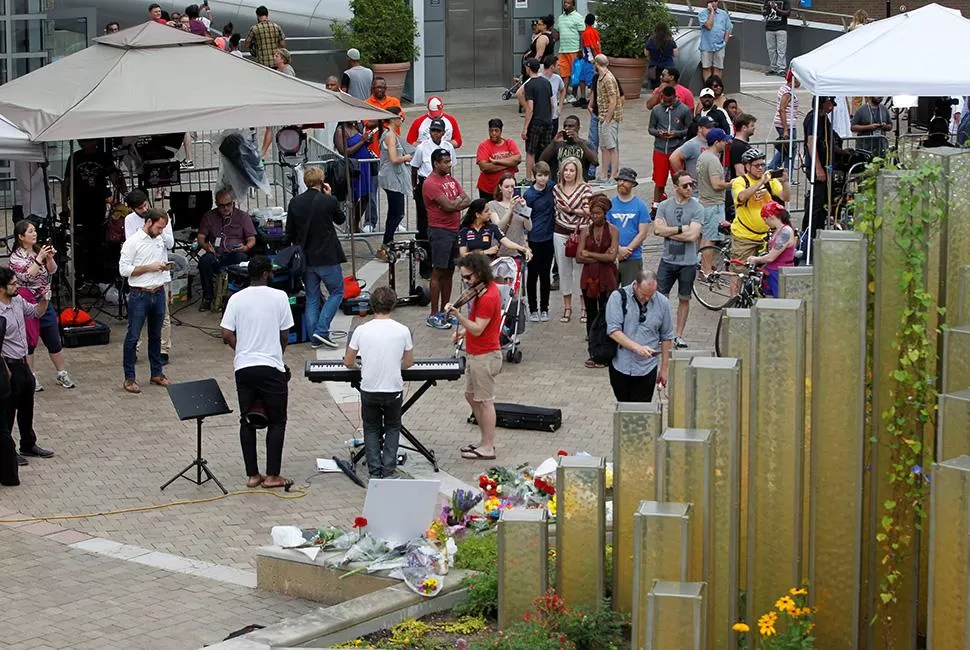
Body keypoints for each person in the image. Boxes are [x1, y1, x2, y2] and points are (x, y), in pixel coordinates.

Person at [220, 255, 293, 489]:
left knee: (247, 419)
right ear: (265, 274)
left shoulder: (236, 299)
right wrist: (278, 356)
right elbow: (285, 334)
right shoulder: (279, 297)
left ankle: (252, 474)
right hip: (271, 366)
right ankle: (272, 475)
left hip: (244, 367)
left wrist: (241, 349)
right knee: (277, 420)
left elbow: (226, 333)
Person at [343, 286, 414, 478]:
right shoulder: (403, 330)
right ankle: (388, 470)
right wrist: (394, 366)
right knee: (393, 427)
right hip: (393, 389)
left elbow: (348, 361)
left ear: (372, 305)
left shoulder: (361, 330)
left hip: (369, 388)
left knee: (371, 427)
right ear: (393, 305)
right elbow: (409, 362)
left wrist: (360, 368)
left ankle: (374, 471)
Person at [446, 253, 503, 461]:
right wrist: (462, 332)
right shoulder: (480, 292)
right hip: (476, 353)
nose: (466, 282)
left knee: (485, 401)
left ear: (479, 274)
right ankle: (484, 440)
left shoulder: (488, 296)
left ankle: (488, 446)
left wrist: (458, 317)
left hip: (485, 355)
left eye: (468, 277)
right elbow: (482, 326)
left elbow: (479, 328)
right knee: (471, 396)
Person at [285, 166, 346, 349]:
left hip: (307, 257)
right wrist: (330, 197)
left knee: (312, 297)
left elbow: (289, 233)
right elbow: (341, 219)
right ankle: (321, 330)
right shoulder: (328, 201)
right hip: (327, 256)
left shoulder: (295, 203)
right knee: (336, 292)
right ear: (322, 181)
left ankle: (314, 337)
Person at [9, 221, 75, 390]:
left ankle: (62, 373)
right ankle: (31, 376)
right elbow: (25, 277)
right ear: (21, 237)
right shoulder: (16, 257)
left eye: (34, 231)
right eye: (30, 232)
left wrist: (50, 258)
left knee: (53, 336)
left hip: (44, 298)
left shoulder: (39, 250)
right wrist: (39, 260)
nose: (34, 234)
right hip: (26, 301)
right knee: (30, 341)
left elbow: (52, 270)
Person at [0, 267, 54, 467]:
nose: (17, 287)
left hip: (23, 362)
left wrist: (45, 298)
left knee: (26, 406)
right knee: (8, 411)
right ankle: (8, 451)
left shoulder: (17, 301)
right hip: (8, 365)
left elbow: (36, 312)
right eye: (13, 284)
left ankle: (28, 443)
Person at [119, 208, 172, 394]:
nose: (160, 232)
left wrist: (163, 269)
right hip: (139, 294)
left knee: (156, 335)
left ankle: (156, 372)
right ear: (148, 222)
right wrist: (150, 268)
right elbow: (124, 270)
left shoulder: (159, 240)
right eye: (159, 227)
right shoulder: (132, 242)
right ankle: (129, 377)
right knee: (133, 336)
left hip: (158, 291)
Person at [62, 139, 127, 284]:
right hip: (79, 206)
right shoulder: (75, 157)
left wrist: (125, 193)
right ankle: (81, 275)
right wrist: (65, 206)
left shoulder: (103, 156)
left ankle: (97, 274)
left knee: (98, 241)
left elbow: (114, 176)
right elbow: (66, 182)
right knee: (79, 242)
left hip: (98, 207)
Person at [653, 170, 704, 349]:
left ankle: (679, 335)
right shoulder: (665, 206)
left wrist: (670, 230)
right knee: (659, 298)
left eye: (691, 184)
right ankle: (661, 332)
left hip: (688, 263)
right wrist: (682, 228)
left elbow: (693, 236)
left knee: (684, 298)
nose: (689, 188)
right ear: (675, 187)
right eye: (685, 185)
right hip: (667, 260)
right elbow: (657, 230)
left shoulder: (697, 207)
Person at [124, 190, 175, 364]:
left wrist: (161, 232)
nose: (144, 209)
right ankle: (134, 349)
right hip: (141, 276)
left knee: (164, 316)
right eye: (140, 208)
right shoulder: (130, 221)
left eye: (146, 204)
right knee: (137, 319)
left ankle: (163, 348)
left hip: (160, 276)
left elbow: (170, 243)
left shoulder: (160, 217)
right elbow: (131, 244)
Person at [606, 269, 673, 402]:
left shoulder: (663, 303)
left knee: (642, 410)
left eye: (651, 295)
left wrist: (664, 369)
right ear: (635, 285)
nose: (647, 298)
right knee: (624, 406)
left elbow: (667, 337)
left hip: (647, 368)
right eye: (644, 294)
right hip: (621, 365)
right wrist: (637, 348)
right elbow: (613, 331)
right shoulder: (617, 297)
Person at [423, 148, 471, 330]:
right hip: (440, 231)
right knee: (438, 271)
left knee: (450, 271)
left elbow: (467, 199)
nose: (449, 164)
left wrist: (454, 205)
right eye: (445, 161)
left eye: (449, 161)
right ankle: (434, 313)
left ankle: (446, 310)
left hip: (454, 230)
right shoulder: (430, 183)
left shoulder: (450, 179)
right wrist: (455, 204)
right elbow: (450, 205)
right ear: (436, 163)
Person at [731, 149, 790, 278]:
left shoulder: (769, 180)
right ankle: (734, 298)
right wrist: (760, 183)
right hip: (744, 237)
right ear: (747, 166)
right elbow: (741, 197)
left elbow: (786, 197)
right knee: (739, 274)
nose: (761, 168)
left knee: (763, 274)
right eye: (757, 165)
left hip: (765, 237)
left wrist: (785, 183)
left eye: (763, 165)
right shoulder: (740, 181)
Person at [411, 120, 457, 279]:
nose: (435, 133)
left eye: (438, 131)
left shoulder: (448, 147)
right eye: (433, 130)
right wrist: (415, 188)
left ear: (443, 132)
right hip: (426, 183)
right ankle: (425, 266)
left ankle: (443, 261)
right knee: (424, 226)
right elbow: (414, 168)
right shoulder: (422, 147)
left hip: (443, 183)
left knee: (443, 222)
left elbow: (452, 168)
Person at [197, 188, 256, 311]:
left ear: (233, 203)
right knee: (204, 261)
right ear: (216, 204)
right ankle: (208, 297)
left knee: (241, 259)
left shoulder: (242, 216)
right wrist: (205, 246)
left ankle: (237, 295)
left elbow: (252, 239)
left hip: (235, 253)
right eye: (221, 206)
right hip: (216, 253)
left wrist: (245, 247)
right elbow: (201, 236)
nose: (225, 208)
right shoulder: (210, 216)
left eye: (228, 205)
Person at [578, 193, 619, 367]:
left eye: (598, 213)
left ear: (605, 213)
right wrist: (600, 256)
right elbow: (579, 257)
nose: (595, 216)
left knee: (606, 315)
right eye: (593, 213)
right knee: (591, 315)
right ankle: (593, 352)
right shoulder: (586, 231)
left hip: (607, 278)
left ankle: (605, 352)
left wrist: (591, 254)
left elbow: (612, 257)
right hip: (588, 278)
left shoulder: (613, 230)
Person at [552, 157, 592, 323]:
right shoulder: (556, 188)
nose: (568, 173)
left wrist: (571, 210)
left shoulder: (585, 188)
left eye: (572, 170)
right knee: (563, 270)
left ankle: (584, 307)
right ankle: (567, 307)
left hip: (581, 233)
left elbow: (588, 210)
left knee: (580, 270)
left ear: (577, 172)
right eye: (566, 170)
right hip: (560, 231)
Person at [648, 86, 693, 209]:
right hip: (660, 150)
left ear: (675, 97)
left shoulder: (684, 110)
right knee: (659, 181)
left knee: (680, 180)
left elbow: (690, 130)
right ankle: (656, 207)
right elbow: (651, 128)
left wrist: (676, 134)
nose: (666, 103)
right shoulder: (657, 110)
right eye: (664, 101)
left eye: (669, 101)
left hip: (676, 151)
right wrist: (659, 133)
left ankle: (684, 205)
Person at [696, 128, 733, 273]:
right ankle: (706, 271)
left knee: (705, 238)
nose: (725, 143)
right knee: (710, 240)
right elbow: (717, 184)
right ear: (717, 142)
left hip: (704, 202)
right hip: (713, 204)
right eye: (723, 141)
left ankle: (704, 268)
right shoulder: (713, 160)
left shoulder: (703, 156)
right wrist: (733, 183)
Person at [607, 168, 652, 285]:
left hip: (633, 258)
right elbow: (607, 230)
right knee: (610, 294)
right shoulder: (610, 205)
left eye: (625, 181)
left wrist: (627, 250)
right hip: (612, 255)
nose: (621, 183)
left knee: (631, 294)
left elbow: (642, 233)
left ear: (632, 184)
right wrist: (619, 249)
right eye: (620, 180)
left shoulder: (640, 206)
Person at [377, 107, 412, 256]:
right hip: (391, 177)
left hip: (391, 177)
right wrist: (407, 157)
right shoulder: (390, 135)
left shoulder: (390, 134)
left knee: (394, 212)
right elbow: (394, 158)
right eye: (400, 117)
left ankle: (387, 242)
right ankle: (387, 242)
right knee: (398, 212)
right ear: (392, 118)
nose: (401, 120)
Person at [803, 96, 840, 239]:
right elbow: (811, 143)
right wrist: (818, 168)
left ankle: (818, 232)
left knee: (823, 205)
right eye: (830, 104)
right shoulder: (814, 118)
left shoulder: (824, 118)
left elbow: (827, 141)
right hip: (818, 169)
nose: (832, 108)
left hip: (826, 166)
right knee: (816, 205)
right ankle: (809, 236)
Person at [525, 161, 556, 322]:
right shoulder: (529, 195)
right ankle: (533, 308)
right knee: (532, 275)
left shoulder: (551, 188)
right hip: (533, 239)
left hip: (548, 238)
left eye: (545, 175)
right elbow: (525, 218)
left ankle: (545, 308)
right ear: (534, 176)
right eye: (539, 175)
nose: (542, 179)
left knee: (545, 275)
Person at [745, 201, 795, 297]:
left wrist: (755, 259)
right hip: (774, 272)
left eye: (765, 219)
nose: (765, 223)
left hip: (779, 273)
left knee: (778, 301)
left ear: (771, 216)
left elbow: (771, 257)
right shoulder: (780, 230)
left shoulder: (785, 232)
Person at [334, 120, 376, 232]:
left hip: (364, 166)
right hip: (354, 168)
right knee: (354, 197)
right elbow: (344, 151)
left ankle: (355, 222)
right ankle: (351, 225)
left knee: (366, 196)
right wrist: (362, 141)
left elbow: (361, 143)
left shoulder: (356, 127)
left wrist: (367, 141)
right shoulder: (340, 131)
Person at [458, 199, 532, 260]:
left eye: (489, 210)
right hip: (471, 268)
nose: (490, 213)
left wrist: (523, 249)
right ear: (477, 214)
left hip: (488, 267)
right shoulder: (465, 230)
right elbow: (464, 255)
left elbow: (507, 242)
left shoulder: (492, 227)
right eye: (486, 211)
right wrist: (485, 252)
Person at [521, 58, 554, 182]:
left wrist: (525, 128)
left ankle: (529, 178)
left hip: (536, 122)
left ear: (528, 69)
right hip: (547, 121)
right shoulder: (546, 82)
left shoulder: (529, 85)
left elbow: (530, 108)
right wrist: (550, 117)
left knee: (530, 151)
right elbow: (552, 103)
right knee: (545, 151)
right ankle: (545, 176)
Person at [539, 114, 598, 180]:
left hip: (579, 184)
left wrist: (580, 143)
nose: (567, 128)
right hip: (559, 183)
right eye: (565, 126)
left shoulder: (586, 144)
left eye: (570, 126)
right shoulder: (557, 144)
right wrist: (553, 143)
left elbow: (595, 162)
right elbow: (542, 160)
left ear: (578, 128)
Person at [475, 118, 521, 201]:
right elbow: (485, 167)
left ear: (501, 131)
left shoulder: (509, 143)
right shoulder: (483, 146)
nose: (493, 133)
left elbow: (518, 158)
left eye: (496, 131)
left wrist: (497, 162)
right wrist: (509, 164)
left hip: (508, 188)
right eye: (491, 131)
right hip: (488, 189)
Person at [594, 54, 622, 185]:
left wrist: (607, 119)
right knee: (604, 147)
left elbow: (613, 100)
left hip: (608, 118)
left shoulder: (608, 78)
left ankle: (613, 175)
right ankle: (604, 174)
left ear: (596, 64)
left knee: (611, 147)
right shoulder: (602, 77)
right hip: (602, 116)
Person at [489, 173, 532, 259]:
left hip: (518, 251)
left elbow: (529, 227)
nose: (510, 190)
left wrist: (525, 208)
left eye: (513, 187)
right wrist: (510, 209)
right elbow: (499, 227)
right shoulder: (492, 205)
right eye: (506, 186)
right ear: (500, 187)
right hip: (500, 252)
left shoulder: (520, 205)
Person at [670, 116, 715, 190]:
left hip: (709, 190)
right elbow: (673, 158)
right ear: (700, 128)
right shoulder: (692, 144)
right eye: (708, 127)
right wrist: (685, 178)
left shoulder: (713, 142)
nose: (712, 129)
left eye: (713, 127)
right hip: (696, 192)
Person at [365, 77, 405, 157]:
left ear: (386, 88)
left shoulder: (394, 101)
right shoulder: (366, 103)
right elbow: (368, 124)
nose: (380, 90)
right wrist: (389, 116)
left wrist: (378, 118)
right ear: (372, 88)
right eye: (377, 87)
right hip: (375, 145)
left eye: (382, 87)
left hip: (394, 142)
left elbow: (401, 118)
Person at [556, 0, 585, 104]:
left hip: (574, 50)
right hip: (563, 50)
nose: (565, 4)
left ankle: (573, 95)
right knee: (564, 75)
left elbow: (582, 34)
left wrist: (581, 49)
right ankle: (564, 96)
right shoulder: (560, 18)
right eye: (564, 2)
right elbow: (558, 33)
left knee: (575, 74)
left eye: (568, 3)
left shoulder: (578, 17)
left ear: (573, 5)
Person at [771, 73, 800, 171]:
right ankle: (785, 173)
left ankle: (772, 168)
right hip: (787, 124)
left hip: (785, 123)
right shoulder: (788, 92)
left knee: (786, 149)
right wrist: (786, 129)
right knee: (791, 150)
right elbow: (782, 109)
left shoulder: (785, 89)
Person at [698, 0, 733, 81]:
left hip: (720, 46)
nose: (714, 3)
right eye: (711, 1)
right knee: (706, 68)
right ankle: (708, 89)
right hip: (706, 46)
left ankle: (716, 89)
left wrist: (725, 42)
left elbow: (728, 28)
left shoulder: (724, 14)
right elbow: (709, 26)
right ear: (708, 3)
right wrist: (712, 12)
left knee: (718, 68)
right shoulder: (702, 14)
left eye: (716, 1)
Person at [574, 13, 601, 107]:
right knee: (582, 79)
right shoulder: (595, 32)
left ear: (585, 21)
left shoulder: (586, 33)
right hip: (588, 59)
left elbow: (591, 47)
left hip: (590, 60)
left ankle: (591, 101)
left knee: (590, 81)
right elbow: (598, 45)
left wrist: (595, 60)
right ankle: (583, 98)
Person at [644, 23, 678, 90]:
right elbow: (676, 54)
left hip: (654, 67)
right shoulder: (670, 41)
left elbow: (646, 53)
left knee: (655, 88)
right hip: (668, 67)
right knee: (668, 88)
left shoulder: (651, 40)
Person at [763, 0, 791, 76]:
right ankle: (773, 68)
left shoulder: (785, 1)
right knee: (771, 49)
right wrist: (768, 9)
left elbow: (787, 13)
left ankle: (781, 69)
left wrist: (776, 9)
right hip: (769, 28)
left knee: (781, 49)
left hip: (781, 28)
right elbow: (764, 13)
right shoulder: (767, 1)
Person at [542, 54, 567, 134]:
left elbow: (563, 90)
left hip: (554, 115)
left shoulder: (557, 78)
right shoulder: (539, 78)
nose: (559, 67)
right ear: (552, 66)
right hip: (542, 116)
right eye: (557, 65)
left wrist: (560, 106)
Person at [729, 113, 757, 179]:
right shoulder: (738, 146)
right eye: (752, 125)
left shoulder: (743, 145)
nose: (754, 128)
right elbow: (739, 172)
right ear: (744, 128)